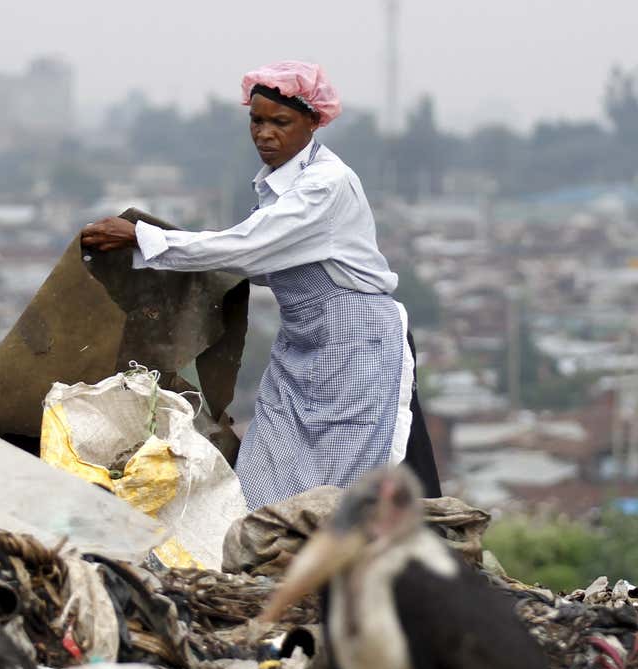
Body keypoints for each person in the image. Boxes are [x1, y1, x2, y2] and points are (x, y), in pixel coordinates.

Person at [81, 60, 440, 509]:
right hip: (303, 344)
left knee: (345, 483)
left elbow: (247, 248)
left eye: (280, 122)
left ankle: (340, 575)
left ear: (313, 121)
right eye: (257, 121)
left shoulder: (324, 186)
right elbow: (263, 263)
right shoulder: (280, 186)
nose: (265, 134)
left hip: (355, 344)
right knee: (266, 474)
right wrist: (156, 259)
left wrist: (145, 238)